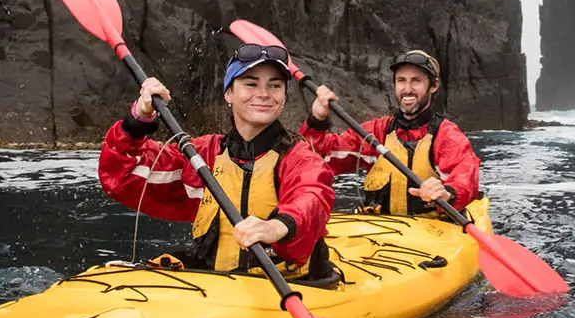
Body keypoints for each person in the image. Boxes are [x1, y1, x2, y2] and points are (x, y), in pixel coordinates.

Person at [96, 41, 335, 278]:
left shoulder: (301, 158)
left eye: (275, 86)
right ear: (229, 93)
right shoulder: (202, 154)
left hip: (292, 283)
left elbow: (312, 196)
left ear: (283, 97)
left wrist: (276, 226)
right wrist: (139, 119)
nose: (263, 94)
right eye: (251, 84)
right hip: (215, 283)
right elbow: (121, 176)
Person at [300, 48, 481, 217]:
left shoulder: (447, 135)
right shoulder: (376, 131)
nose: (407, 89)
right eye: (401, 80)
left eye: (416, 81)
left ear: (433, 86)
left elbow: (465, 178)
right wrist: (317, 119)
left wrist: (447, 193)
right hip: (384, 233)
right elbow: (319, 156)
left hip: (433, 234)